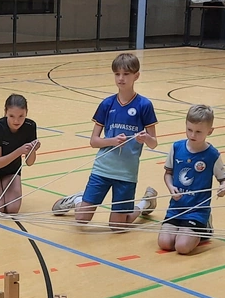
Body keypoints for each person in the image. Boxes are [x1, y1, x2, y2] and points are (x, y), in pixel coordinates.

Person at [51, 53, 158, 229]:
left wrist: (145, 138)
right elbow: (94, 141)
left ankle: (145, 203)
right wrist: (112, 141)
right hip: (102, 169)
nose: (121, 78)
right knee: (82, 219)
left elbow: (154, 143)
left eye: (126, 74)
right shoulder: (107, 104)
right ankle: (78, 199)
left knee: (117, 227)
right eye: (117, 74)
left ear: (136, 76)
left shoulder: (144, 105)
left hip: (126, 173)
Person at [158, 104, 225, 255]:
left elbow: (224, 179)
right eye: (189, 130)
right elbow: (168, 174)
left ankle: (205, 226)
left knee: (182, 247)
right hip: (176, 208)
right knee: (164, 243)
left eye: (198, 132)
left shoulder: (212, 155)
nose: (192, 135)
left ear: (209, 131)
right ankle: (186, 231)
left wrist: (223, 187)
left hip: (197, 211)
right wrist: (171, 188)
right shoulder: (176, 147)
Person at [0, 94, 40, 214]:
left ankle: (0, 189)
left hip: (12, 169)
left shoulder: (30, 126)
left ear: (26, 112)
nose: (16, 121)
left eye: (21, 116)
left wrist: (32, 150)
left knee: (12, 209)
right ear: (5, 112)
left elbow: (29, 162)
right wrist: (20, 151)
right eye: (12, 116)